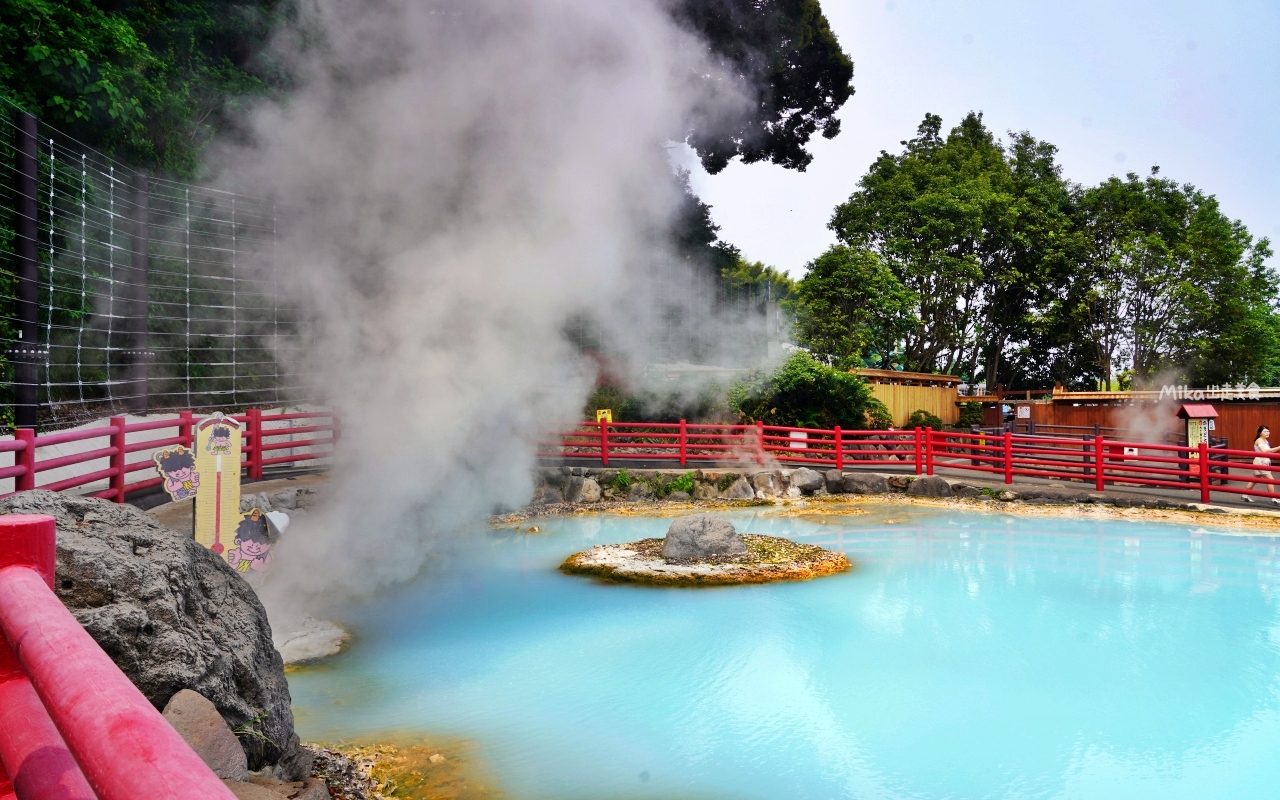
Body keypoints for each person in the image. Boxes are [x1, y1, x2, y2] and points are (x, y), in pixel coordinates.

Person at [1244, 425, 1280, 504]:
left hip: (1263, 462)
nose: (1267, 433)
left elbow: (1269, 451)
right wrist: (1278, 448)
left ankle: (1244, 496)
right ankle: (1273, 499)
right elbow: (1264, 451)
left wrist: (1277, 449)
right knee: (1271, 480)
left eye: (1268, 431)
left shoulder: (1265, 440)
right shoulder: (1259, 440)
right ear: (1260, 433)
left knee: (1254, 480)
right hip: (1261, 462)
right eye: (1265, 431)